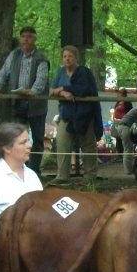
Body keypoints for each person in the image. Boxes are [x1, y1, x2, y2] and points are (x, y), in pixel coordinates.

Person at [0, 26, 50, 174]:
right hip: (17, 102)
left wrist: (33, 91)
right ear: (20, 38)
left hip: (36, 104)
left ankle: (34, 171)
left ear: (34, 39)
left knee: (38, 138)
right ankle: (17, 167)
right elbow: (3, 72)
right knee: (16, 137)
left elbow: (42, 78)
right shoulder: (14, 55)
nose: (26, 39)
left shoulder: (41, 57)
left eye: (29, 36)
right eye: (24, 36)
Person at [50, 45, 103, 184]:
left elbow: (85, 89)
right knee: (62, 143)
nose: (67, 59)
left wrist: (64, 88)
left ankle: (90, 176)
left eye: (70, 56)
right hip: (66, 114)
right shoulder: (60, 72)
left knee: (88, 145)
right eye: (65, 56)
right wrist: (62, 92)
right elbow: (52, 89)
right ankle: (62, 176)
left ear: (76, 58)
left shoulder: (85, 72)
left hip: (84, 114)